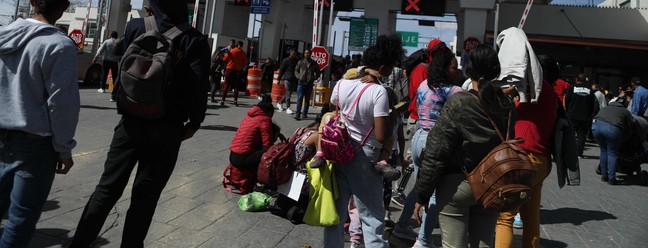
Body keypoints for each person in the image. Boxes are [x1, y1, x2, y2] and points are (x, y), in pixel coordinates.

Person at [70, 1, 211, 247]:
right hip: (167, 128)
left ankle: (79, 243)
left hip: (130, 123)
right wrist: (194, 122)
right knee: (146, 197)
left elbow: (123, 61)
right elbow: (198, 87)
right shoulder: (194, 39)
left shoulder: (136, 26)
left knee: (107, 188)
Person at [416, 44, 512, 248]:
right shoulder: (505, 104)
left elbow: (436, 152)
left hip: (458, 186)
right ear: (496, 69)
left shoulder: (459, 102)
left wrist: (423, 194)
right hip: (492, 183)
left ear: (469, 70)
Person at [0, 0, 79, 246]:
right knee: (20, 218)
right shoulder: (59, 45)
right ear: (64, 6)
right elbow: (62, 105)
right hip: (34, 145)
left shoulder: (3, 36)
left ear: (32, 2)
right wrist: (64, 149)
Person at [321, 34, 403, 248]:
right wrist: (393, 116)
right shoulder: (379, 92)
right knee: (372, 218)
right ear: (383, 67)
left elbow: (333, 108)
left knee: (337, 214)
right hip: (365, 157)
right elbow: (381, 135)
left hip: (339, 152)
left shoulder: (341, 84)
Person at [495, 55, 559, 248]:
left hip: (523, 159)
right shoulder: (549, 94)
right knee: (531, 218)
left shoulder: (538, 89)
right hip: (539, 161)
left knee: (505, 218)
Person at [407, 46, 462, 248]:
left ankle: (405, 225)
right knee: (434, 195)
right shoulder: (454, 92)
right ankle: (423, 240)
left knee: (419, 188)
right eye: (454, 67)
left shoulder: (423, 86)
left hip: (418, 138)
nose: (457, 70)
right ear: (445, 68)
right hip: (436, 143)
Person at [592, 98, 635, 185]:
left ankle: (604, 176)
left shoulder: (605, 108)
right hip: (611, 129)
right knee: (612, 152)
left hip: (596, 126)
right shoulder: (625, 111)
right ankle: (611, 178)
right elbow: (630, 127)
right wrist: (623, 139)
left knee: (603, 150)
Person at [228, 96, 277, 171]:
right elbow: (267, 145)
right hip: (241, 159)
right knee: (270, 153)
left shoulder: (249, 116)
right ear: (269, 113)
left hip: (233, 155)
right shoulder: (265, 120)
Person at [564, 73, 598, 158]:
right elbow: (592, 104)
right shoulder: (589, 90)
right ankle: (579, 153)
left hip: (572, 115)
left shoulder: (571, 88)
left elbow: (566, 100)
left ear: (576, 79)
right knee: (581, 136)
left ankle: (568, 151)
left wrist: (568, 110)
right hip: (584, 116)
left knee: (569, 134)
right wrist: (589, 114)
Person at [293, 49, 321, 120]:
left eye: (308, 53)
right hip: (301, 83)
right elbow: (296, 70)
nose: (306, 54)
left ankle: (305, 113)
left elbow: (318, 72)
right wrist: (298, 76)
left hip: (309, 84)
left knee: (307, 99)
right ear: (304, 54)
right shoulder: (300, 62)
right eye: (305, 53)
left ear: (310, 54)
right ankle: (298, 114)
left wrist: (313, 78)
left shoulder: (314, 63)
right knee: (299, 98)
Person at [221, 40, 248, 106]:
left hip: (229, 70)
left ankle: (222, 100)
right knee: (236, 86)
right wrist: (240, 67)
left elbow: (225, 59)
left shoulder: (232, 51)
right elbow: (244, 63)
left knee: (226, 85)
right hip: (237, 71)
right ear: (242, 46)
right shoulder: (243, 53)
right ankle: (235, 101)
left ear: (237, 45)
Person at [277, 49, 299, 114]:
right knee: (288, 93)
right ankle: (288, 107)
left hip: (293, 79)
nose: (294, 55)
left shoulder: (296, 61)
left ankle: (280, 102)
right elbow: (281, 70)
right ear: (290, 53)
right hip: (287, 78)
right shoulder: (286, 60)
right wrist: (278, 79)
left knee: (288, 93)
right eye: (293, 53)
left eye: (295, 54)